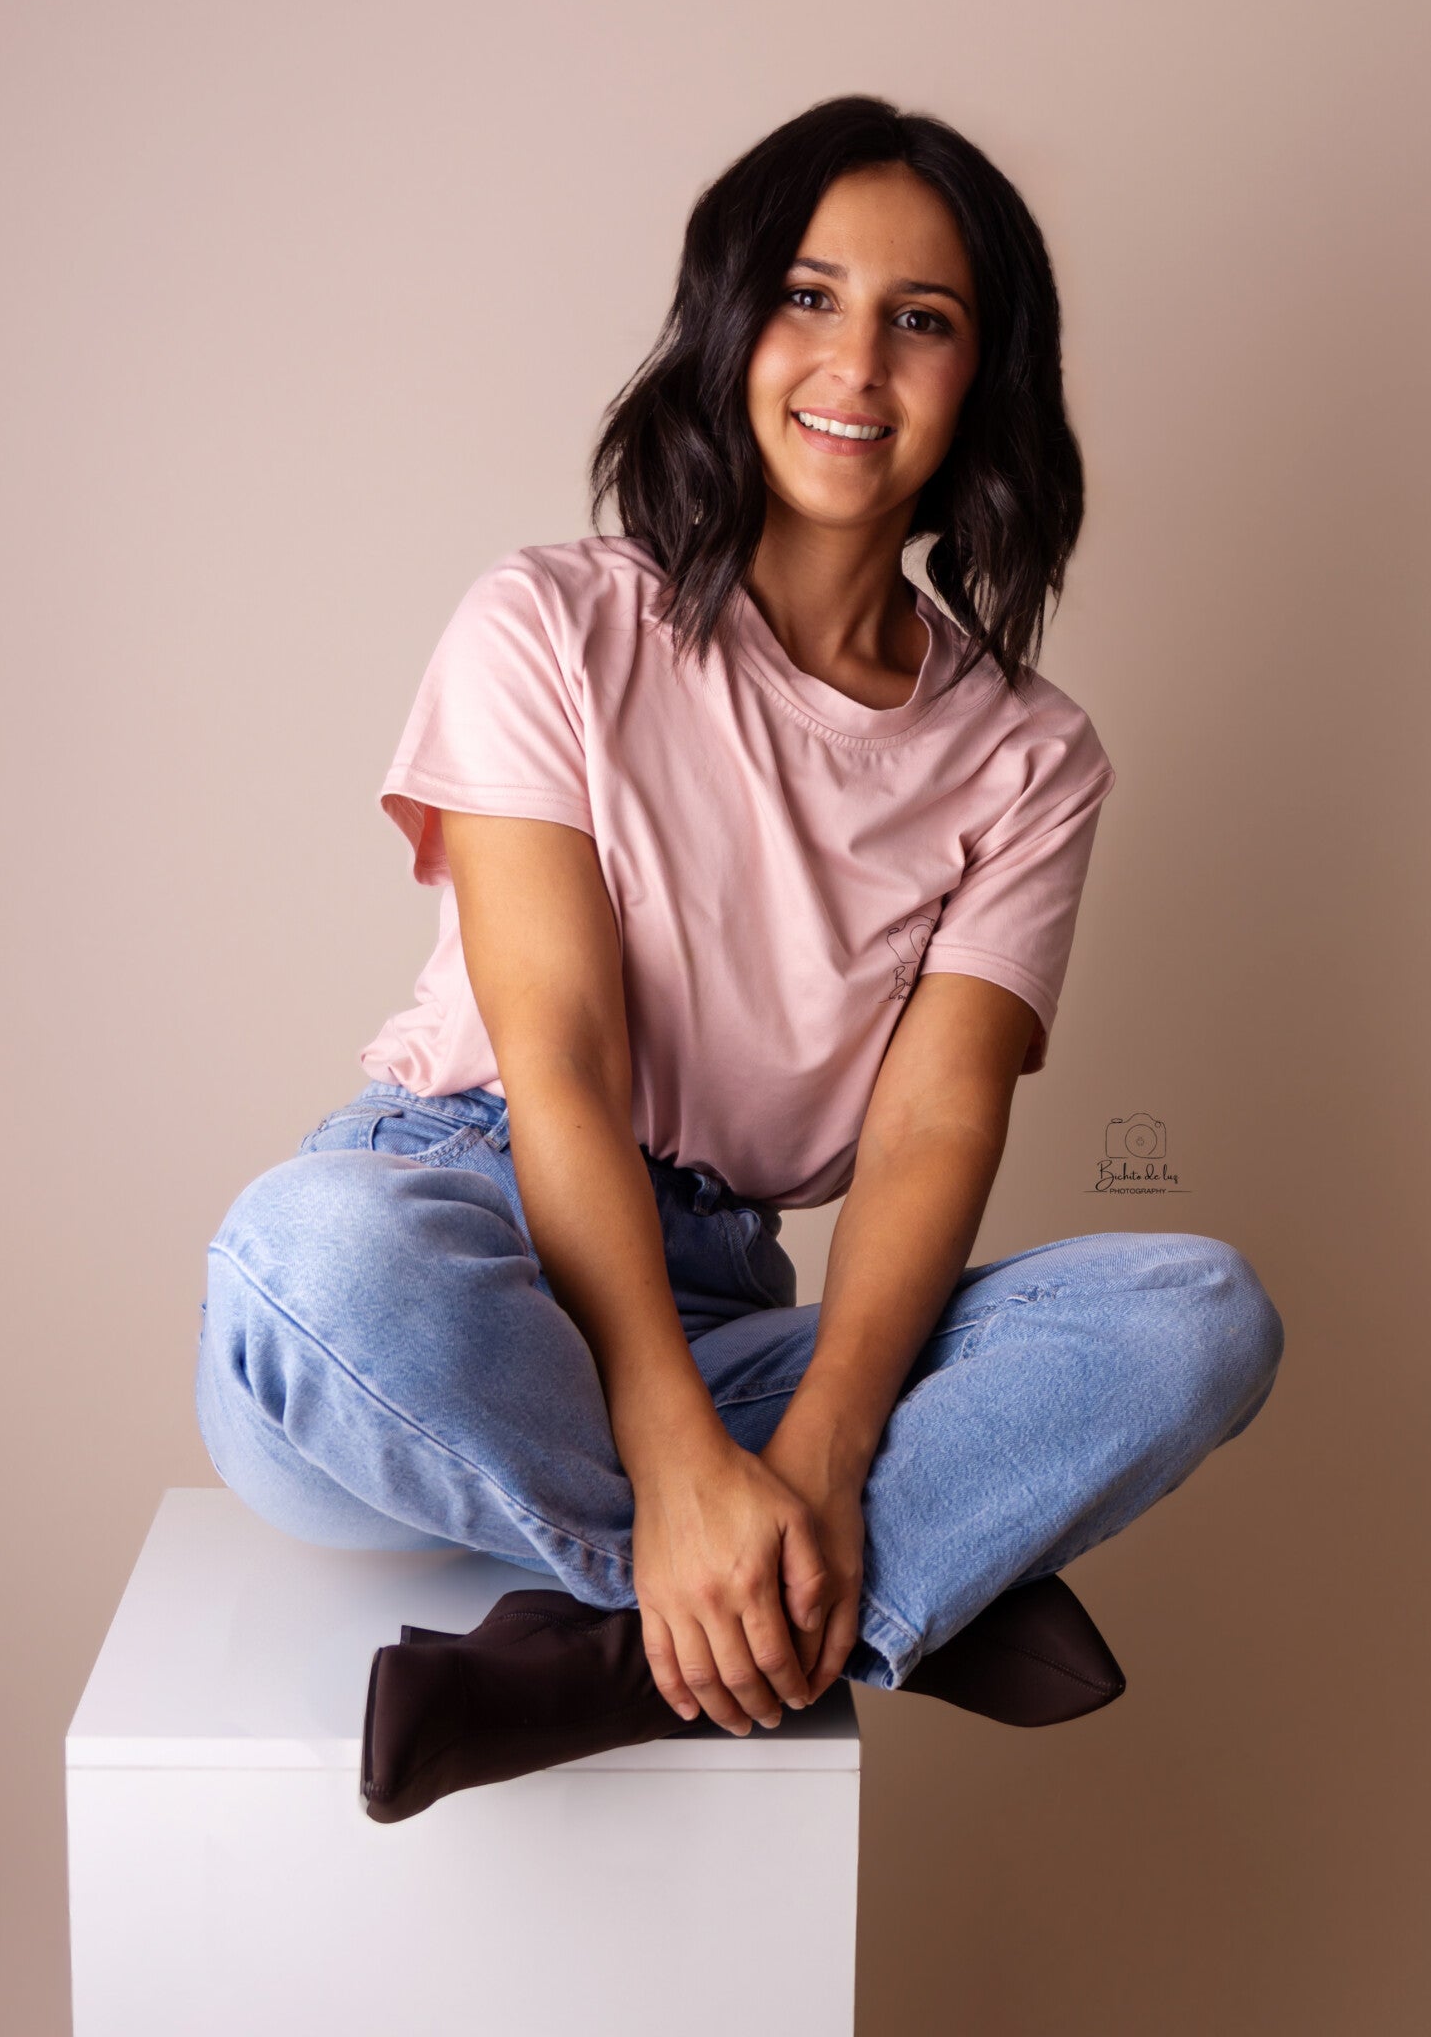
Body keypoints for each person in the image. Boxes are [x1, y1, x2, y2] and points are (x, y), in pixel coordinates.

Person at [194, 94, 1284, 1822]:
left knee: (1198, 1316)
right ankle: (844, 1600)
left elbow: (933, 1127)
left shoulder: (1028, 759)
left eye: (922, 319)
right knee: (302, 1257)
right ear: (729, 324)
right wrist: (674, 1451)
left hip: (724, 1314)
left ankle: (632, 1651)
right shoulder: (550, 623)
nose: (857, 362)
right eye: (807, 296)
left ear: (984, 376)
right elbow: (559, 1052)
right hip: (457, 1279)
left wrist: (825, 1453)